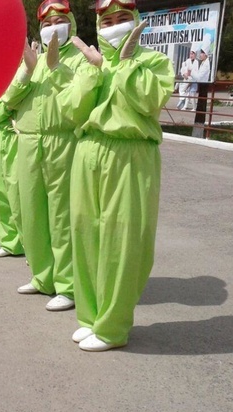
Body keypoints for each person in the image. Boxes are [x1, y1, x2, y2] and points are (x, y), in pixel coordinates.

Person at [69, 0, 173, 350]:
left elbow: (149, 102)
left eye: (122, 18)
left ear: (136, 21)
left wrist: (126, 65)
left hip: (131, 152)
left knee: (123, 241)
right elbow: (73, 111)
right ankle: (90, 316)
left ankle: (112, 327)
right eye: (108, 19)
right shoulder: (91, 61)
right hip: (88, 151)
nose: (114, 25)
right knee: (85, 233)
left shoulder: (153, 62)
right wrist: (95, 71)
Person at [0, 0, 97, 311]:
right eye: (45, 24)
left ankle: (68, 285)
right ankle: (43, 276)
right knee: (31, 213)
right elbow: (7, 103)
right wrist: (27, 70)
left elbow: (81, 99)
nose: (52, 28)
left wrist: (57, 68)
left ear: (72, 24)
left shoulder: (81, 60)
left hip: (62, 143)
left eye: (59, 20)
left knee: (61, 216)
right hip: (28, 143)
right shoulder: (35, 60)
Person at [0, 97, 23, 258]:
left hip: (19, 136)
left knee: (18, 194)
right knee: (1, 191)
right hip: (1, 132)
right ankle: (9, 241)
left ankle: (29, 245)